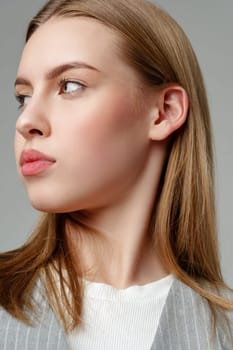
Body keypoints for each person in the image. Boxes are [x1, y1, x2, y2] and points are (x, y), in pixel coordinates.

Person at [0, 0, 232, 349]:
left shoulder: (224, 331)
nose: (26, 121)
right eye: (24, 97)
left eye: (70, 85)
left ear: (164, 112)